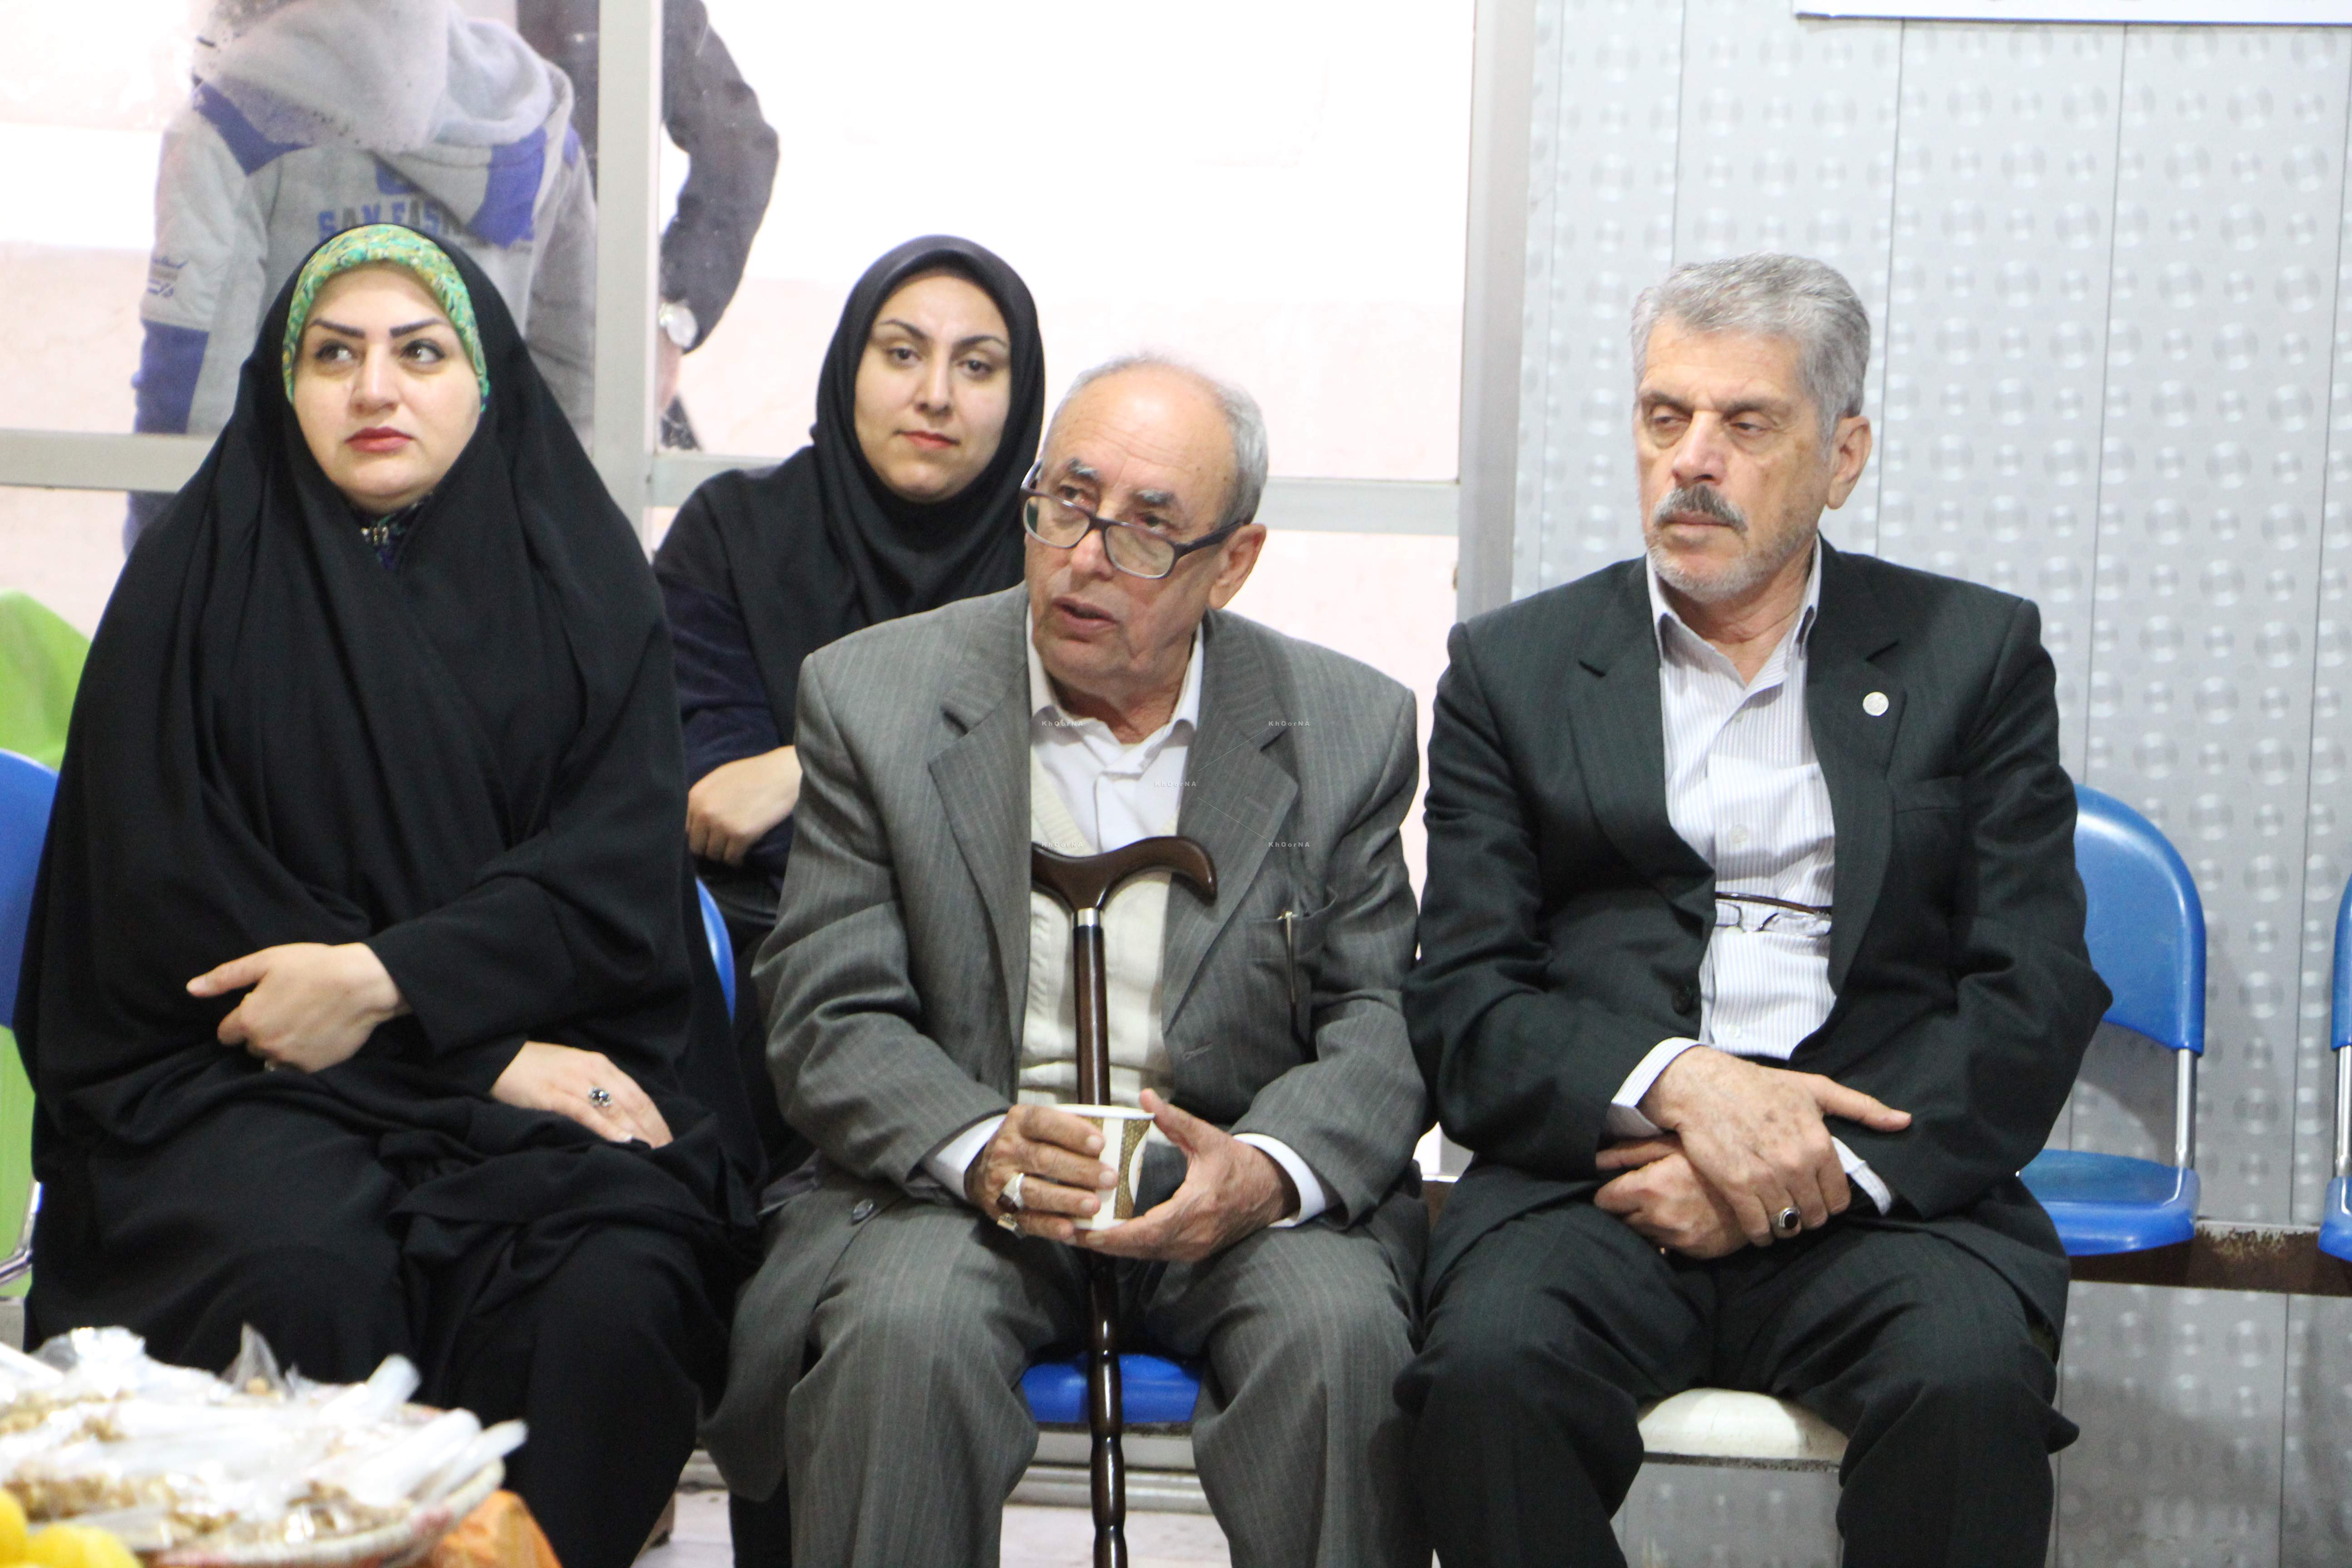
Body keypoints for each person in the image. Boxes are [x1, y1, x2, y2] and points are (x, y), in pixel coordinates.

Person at [18, 225, 759, 1568]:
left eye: (420, 352)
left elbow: (609, 885)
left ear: (485, 382)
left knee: (606, 1294)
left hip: (552, 1084)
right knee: (298, 1274)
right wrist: (472, 1049)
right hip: (242, 1094)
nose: (375, 388)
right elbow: (164, 909)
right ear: (283, 381)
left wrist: (388, 985)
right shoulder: (190, 584)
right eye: (333, 353)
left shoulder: (589, 587)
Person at [1396, 254, 2108, 1567]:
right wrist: (1680, 1083)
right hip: (1599, 1182)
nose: (1692, 460)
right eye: (1664, 417)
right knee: (1486, 1378)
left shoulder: (1973, 656)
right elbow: (1465, 999)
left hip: (1886, 1192)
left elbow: (2034, 985)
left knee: (1966, 1387)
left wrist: (1796, 1170)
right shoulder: (1515, 670)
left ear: (1842, 456)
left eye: (1745, 423)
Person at [701, 355, 1430, 1568]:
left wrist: (1262, 1170)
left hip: (1234, 1184)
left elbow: (1379, 1016)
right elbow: (828, 1008)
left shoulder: (1344, 724)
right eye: (1066, 505)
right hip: (962, 1183)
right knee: (901, 1332)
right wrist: (979, 1143)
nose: (1086, 557)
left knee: (1339, 1339)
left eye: (1146, 531)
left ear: (1232, 562)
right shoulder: (875, 695)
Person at [652, 235, 1045, 1168]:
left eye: (976, 366)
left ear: (1022, 394)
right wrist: (938, 785)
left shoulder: (1055, 566)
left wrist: (803, 767)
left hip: (1001, 975)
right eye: (902, 353)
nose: (935, 394)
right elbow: (716, 804)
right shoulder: (734, 532)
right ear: (850, 366)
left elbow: (1058, 804)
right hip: (767, 965)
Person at [127, 0, 595, 545]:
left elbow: (192, 394)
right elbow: (577, 370)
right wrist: (548, 549)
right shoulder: (531, 117)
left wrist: (165, 574)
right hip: (480, 549)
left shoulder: (233, 123)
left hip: (294, 553)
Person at [513, 0, 781, 448]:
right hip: (563, 348)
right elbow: (739, 148)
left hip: (585, 350)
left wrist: (670, 314)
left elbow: (739, 149)